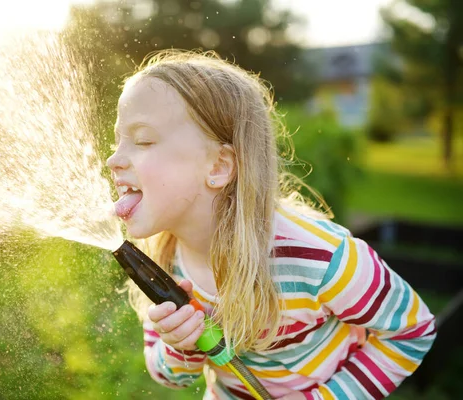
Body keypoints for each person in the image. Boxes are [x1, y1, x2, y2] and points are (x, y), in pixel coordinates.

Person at [106, 50, 436, 400]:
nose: (113, 159)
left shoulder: (323, 259)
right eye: (117, 140)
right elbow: (167, 376)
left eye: (142, 140)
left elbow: (413, 330)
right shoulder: (160, 259)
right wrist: (180, 345)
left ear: (218, 166)